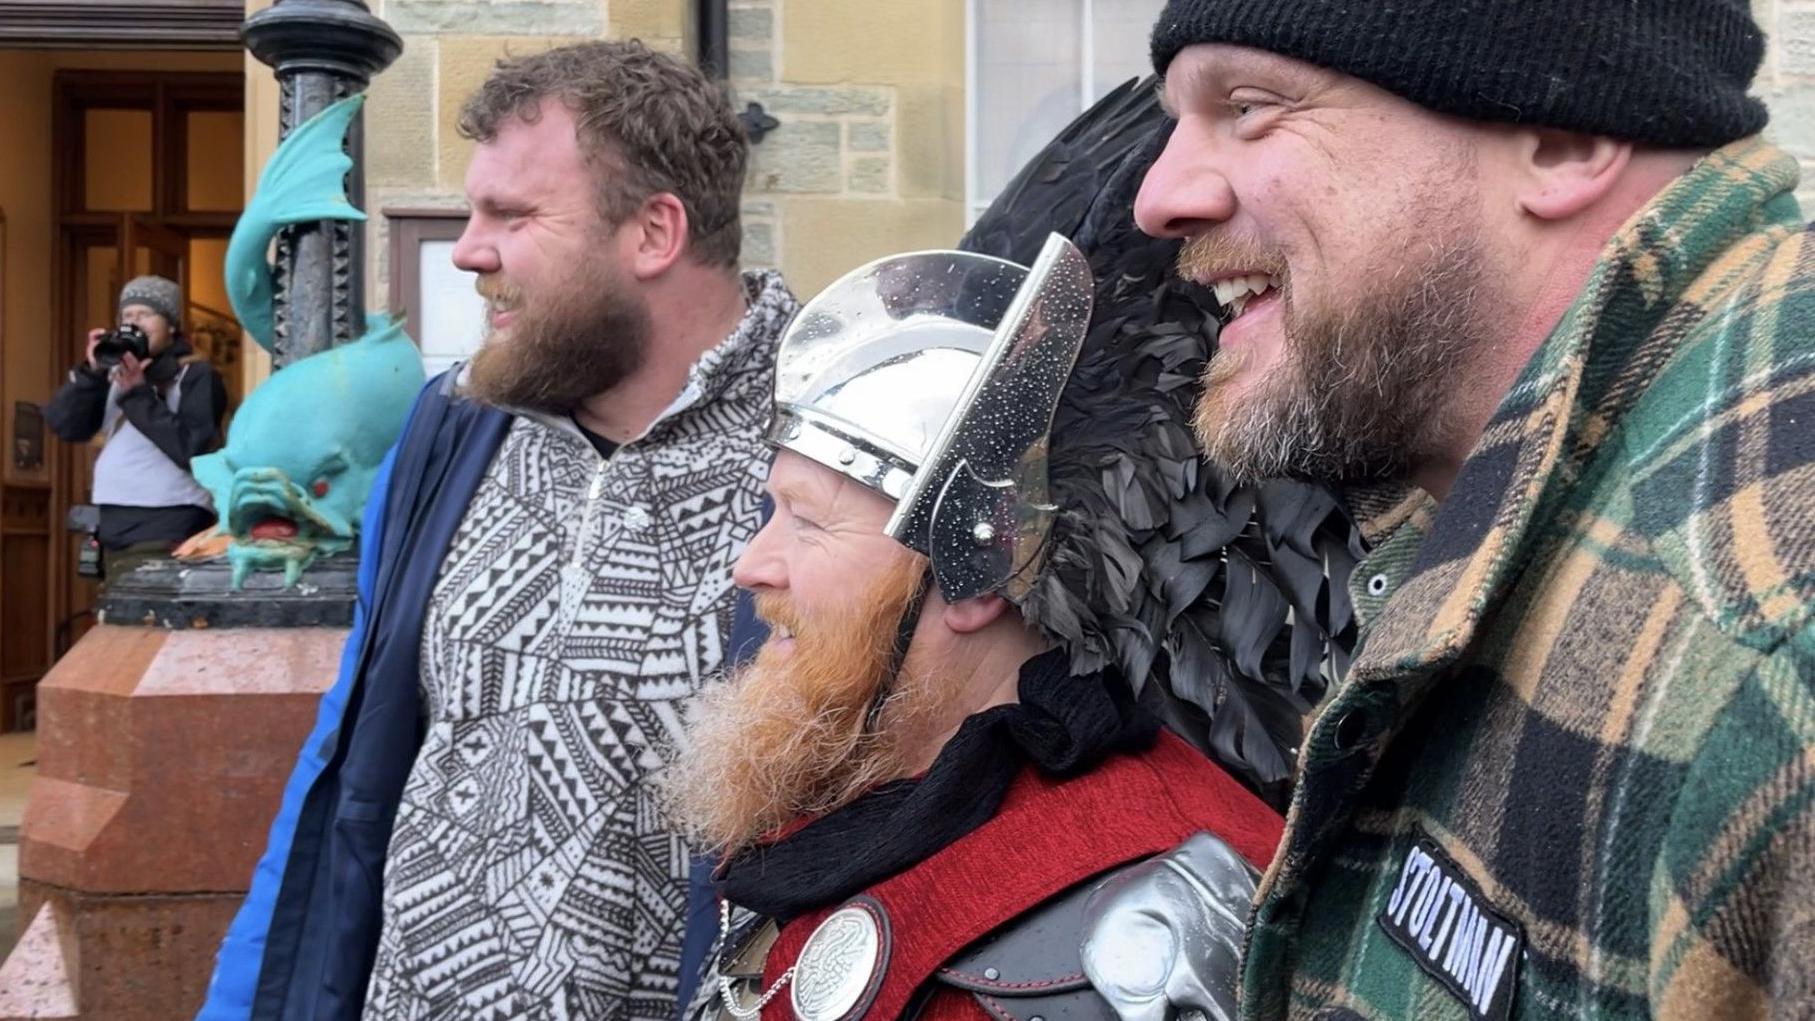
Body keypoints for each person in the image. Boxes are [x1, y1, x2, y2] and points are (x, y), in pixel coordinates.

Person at [1135, 2, 1815, 1018]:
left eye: (1249, 106)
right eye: (1177, 119)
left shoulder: (1767, 656)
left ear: (1563, 134)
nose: (1157, 197)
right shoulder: (1500, 495)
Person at [197, 40, 798, 1021]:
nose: (469, 252)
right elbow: (347, 755)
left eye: (512, 216)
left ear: (654, 231)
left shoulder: (820, 447)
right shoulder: (452, 428)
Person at [667, 239, 1292, 1021]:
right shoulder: (848, 776)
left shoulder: (1149, 907)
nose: (751, 565)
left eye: (808, 522)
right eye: (774, 511)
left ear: (972, 575)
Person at [45, 274, 227, 552]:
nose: (134, 323)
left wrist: (137, 394)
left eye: (145, 315)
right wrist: (91, 374)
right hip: (111, 515)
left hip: (170, 515)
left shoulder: (195, 374)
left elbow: (194, 449)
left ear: (171, 325)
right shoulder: (115, 373)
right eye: (127, 316)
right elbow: (65, 425)